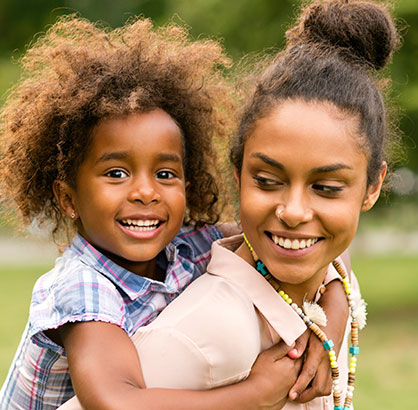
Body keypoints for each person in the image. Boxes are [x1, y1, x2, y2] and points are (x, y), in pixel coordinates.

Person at [60, 0, 401, 409]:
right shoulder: (89, 293)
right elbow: (111, 402)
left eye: (327, 187)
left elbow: (324, 241)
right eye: (268, 181)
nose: (293, 212)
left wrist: (335, 309)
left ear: (372, 187)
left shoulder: (190, 244)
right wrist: (252, 394)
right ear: (237, 174)